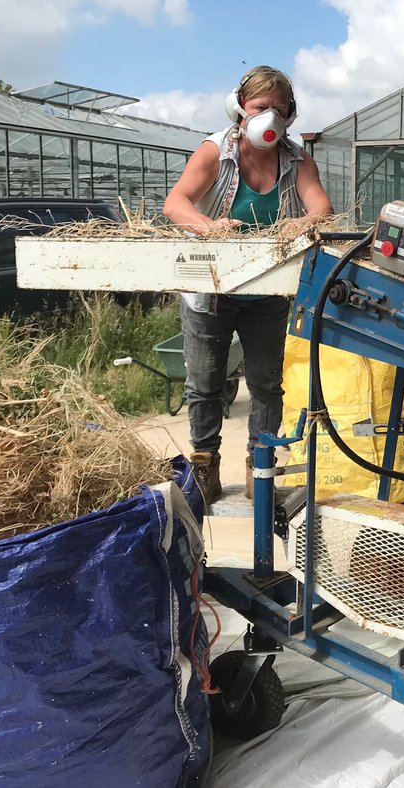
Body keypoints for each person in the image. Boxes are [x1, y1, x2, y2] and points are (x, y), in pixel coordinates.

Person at [163, 66, 332, 504]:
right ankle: (205, 468)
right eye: (261, 107)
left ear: (290, 115)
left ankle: (260, 467)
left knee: (265, 383)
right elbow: (175, 203)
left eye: (279, 109)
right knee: (204, 384)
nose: (269, 118)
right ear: (240, 108)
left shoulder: (296, 159)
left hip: (266, 292)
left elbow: (322, 209)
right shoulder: (214, 151)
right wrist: (207, 226)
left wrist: (303, 223)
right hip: (211, 291)